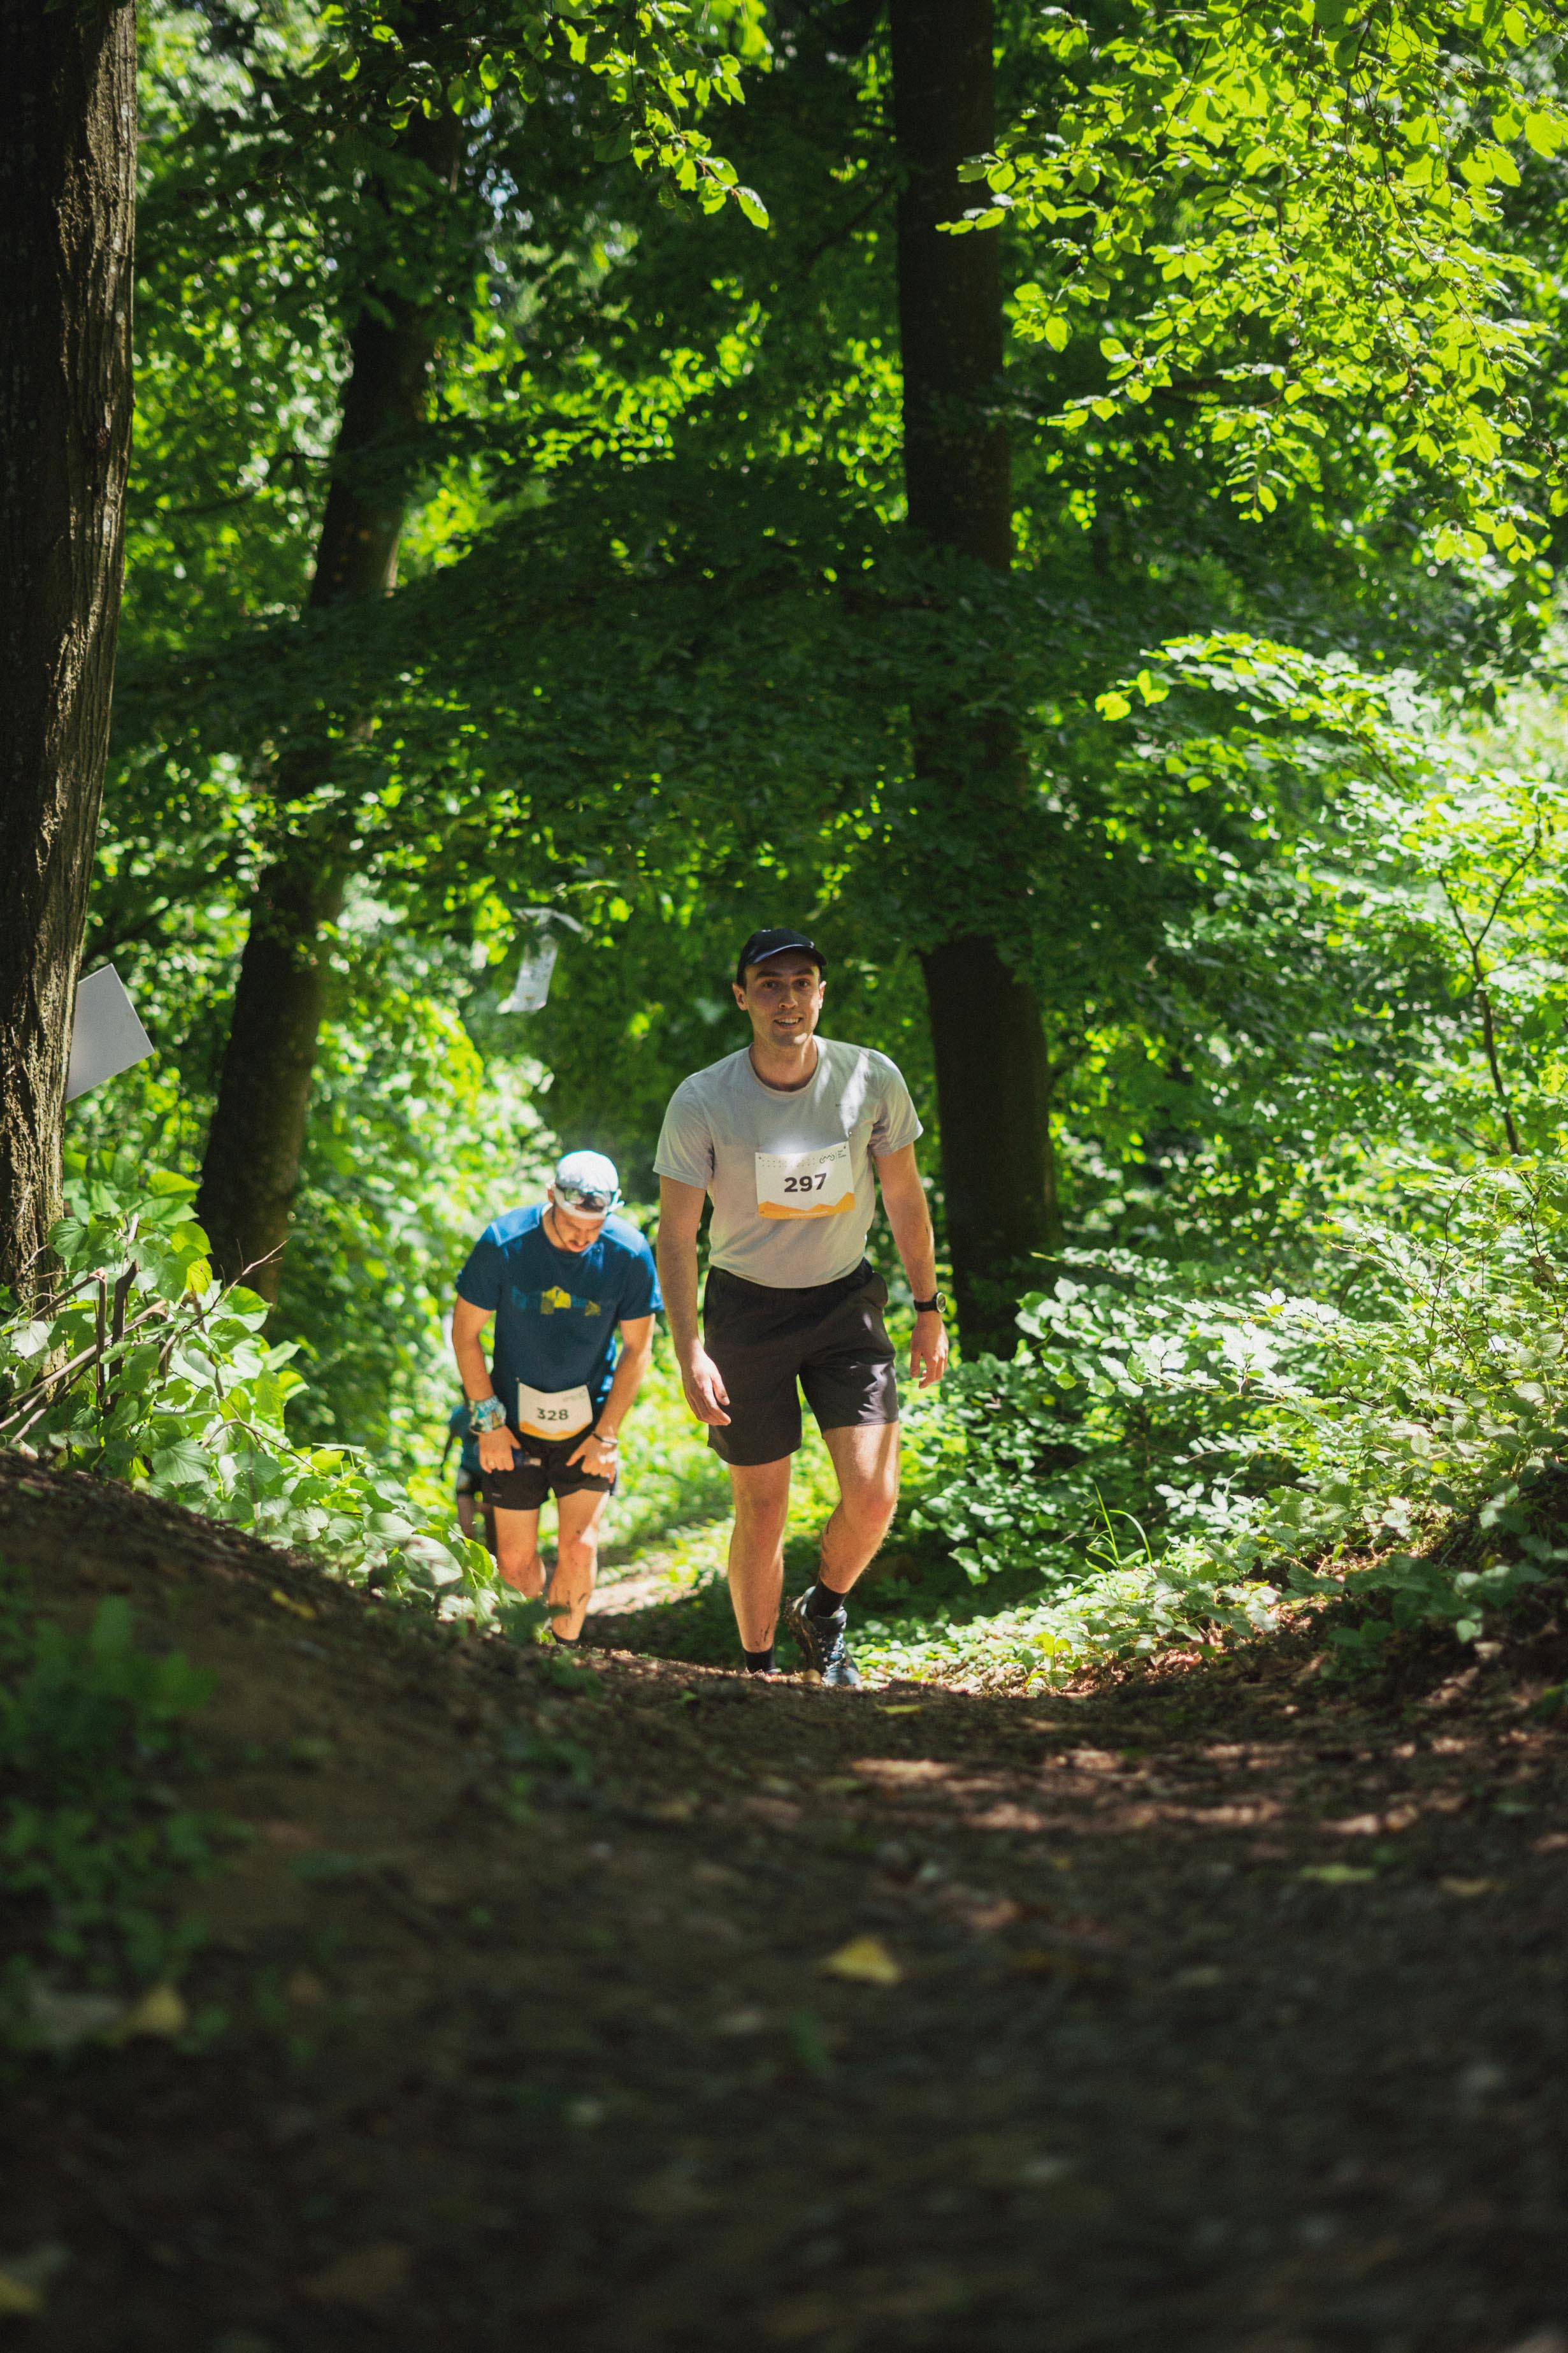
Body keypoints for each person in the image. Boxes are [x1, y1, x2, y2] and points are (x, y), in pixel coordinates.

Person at [654, 929, 947, 1688]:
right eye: (770, 983)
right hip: (745, 1313)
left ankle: (824, 1609)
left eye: (802, 982)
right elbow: (677, 1236)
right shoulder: (703, 1099)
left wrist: (928, 1306)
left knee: (876, 1491)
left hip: (845, 1301)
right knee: (763, 1503)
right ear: (742, 995)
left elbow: (905, 1196)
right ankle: (759, 1673)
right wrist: (689, 1349)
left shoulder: (870, 1078)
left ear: (822, 992)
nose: (788, 997)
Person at [451, 1149, 661, 1643]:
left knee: (580, 1547)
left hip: (588, 1426)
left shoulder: (628, 1253)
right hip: (512, 1425)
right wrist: (489, 1423)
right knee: (516, 1560)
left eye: (594, 1228)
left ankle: (560, 1658)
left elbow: (638, 1349)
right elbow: (465, 1335)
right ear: (551, 1198)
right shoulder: (505, 1242)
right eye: (572, 1225)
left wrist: (607, 1434)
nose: (581, 1238)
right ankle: (523, 1658)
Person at [443, 1401, 496, 1554]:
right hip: (467, 1469)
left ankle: (493, 1559)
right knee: (466, 1526)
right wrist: (443, 1464)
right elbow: (451, 1439)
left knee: (491, 1522)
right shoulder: (459, 1415)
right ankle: (468, 1559)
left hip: (490, 1472)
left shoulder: (492, 1414)